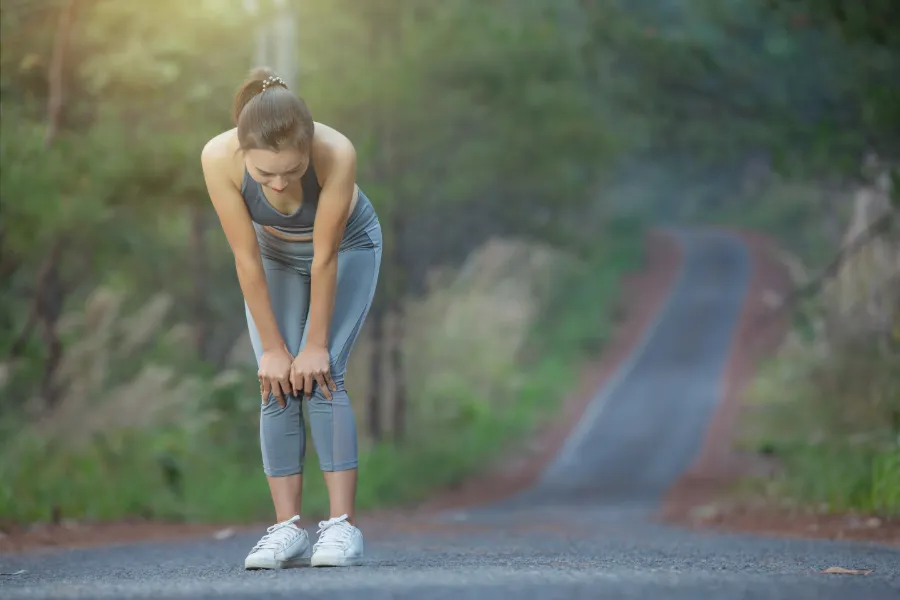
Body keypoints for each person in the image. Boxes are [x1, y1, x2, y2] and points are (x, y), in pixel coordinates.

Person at [200, 67, 382, 569]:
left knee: (323, 374)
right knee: (275, 379)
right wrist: (276, 350)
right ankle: (287, 530)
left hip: (347, 249)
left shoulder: (336, 152)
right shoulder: (217, 158)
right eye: (264, 175)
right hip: (272, 257)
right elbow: (245, 258)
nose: (278, 184)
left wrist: (314, 344)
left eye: (291, 169)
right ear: (242, 153)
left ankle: (342, 528)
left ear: (308, 144)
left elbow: (325, 257)